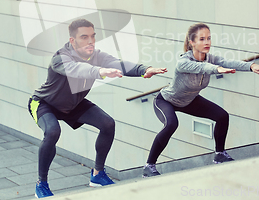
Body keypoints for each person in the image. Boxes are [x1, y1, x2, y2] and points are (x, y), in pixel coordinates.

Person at [28, 19, 167, 198]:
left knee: (107, 124)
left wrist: (145, 69)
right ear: (73, 41)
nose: (90, 41)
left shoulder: (97, 56)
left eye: (93, 36)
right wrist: (100, 71)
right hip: (44, 103)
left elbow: (119, 64)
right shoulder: (60, 58)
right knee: (53, 131)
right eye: (84, 37)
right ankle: (42, 183)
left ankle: (97, 174)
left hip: (72, 104)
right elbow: (77, 69)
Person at [142, 23, 259, 177]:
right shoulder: (183, 62)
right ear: (192, 42)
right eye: (202, 39)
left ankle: (220, 154)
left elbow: (227, 63)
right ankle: (149, 166)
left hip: (189, 100)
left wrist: (251, 66)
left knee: (222, 116)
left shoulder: (210, 58)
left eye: (209, 38)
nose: (207, 42)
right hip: (167, 100)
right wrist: (216, 69)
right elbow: (201, 68)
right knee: (171, 124)